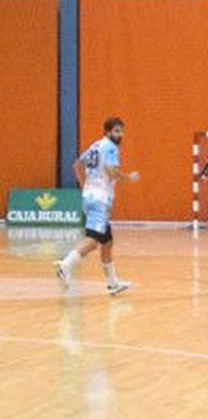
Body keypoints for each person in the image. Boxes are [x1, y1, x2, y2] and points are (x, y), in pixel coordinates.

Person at [55, 116, 140, 295]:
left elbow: (77, 164)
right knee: (93, 240)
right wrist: (128, 178)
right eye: (117, 131)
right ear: (108, 132)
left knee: (107, 241)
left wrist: (84, 185)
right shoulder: (110, 147)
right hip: (100, 200)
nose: (120, 134)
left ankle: (113, 283)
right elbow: (111, 171)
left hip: (89, 197)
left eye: (121, 131)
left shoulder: (95, 145)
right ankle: (66, 265)